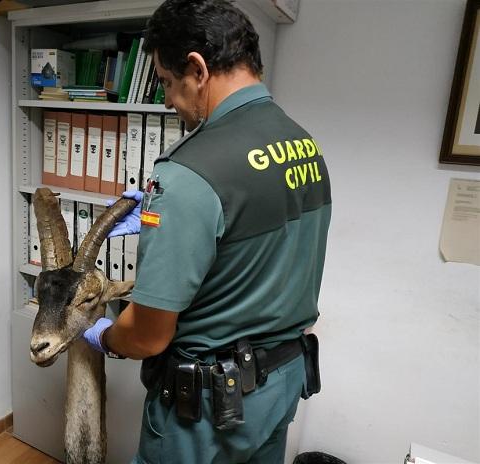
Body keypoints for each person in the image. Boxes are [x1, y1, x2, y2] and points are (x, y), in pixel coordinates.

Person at [84, 0, 332, 462]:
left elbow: (148, 336)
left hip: (206, 410)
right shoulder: (302, 143)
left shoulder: (188, 172)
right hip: (278, 384)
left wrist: (104, 335)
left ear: (196, 69)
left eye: (165, 81)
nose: (166, 100)